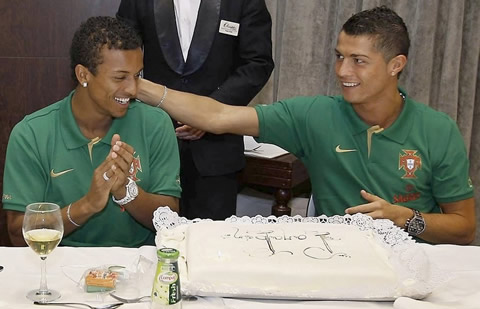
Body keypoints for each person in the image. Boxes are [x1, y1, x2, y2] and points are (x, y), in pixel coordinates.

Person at [135, 6, 476, 245]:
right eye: (339, 56)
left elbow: (464, 229)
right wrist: (138, 85)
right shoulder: (315, 115)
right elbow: (216, 116)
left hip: (416, 266)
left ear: (395, 65)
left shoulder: (437, 130)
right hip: (340, 262)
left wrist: (405, 218)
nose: (343, 71)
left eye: (359, 61)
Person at [2, 16, 181, 247]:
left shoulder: (156, 124)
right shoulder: (31, 134)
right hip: (59, 265)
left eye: (137, 76)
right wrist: (87, 205)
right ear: (83, 75)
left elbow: (170, 222)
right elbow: (18, 233)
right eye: (120, 77)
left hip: (137, 266)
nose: (133, 89)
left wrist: (127, 191)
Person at [116, 0, 274, 220]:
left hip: (216, 151)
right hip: (154, 142)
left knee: (211, 243)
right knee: (152, 241)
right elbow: (119, 52)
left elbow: (258, 63)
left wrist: (208, 113)